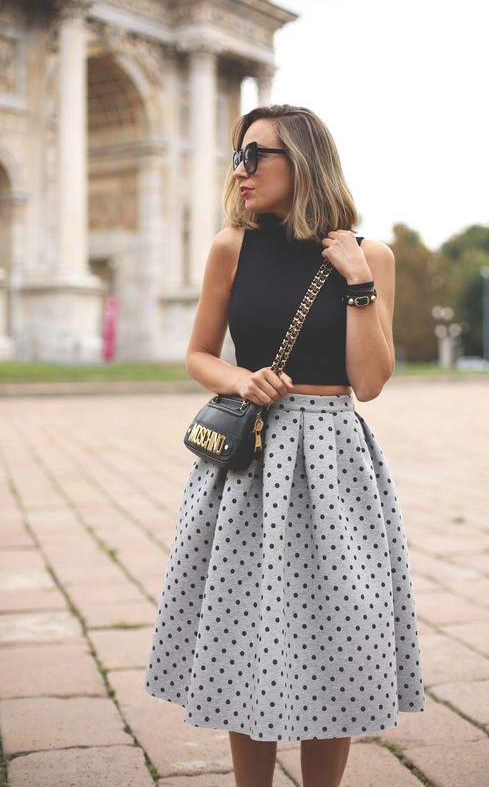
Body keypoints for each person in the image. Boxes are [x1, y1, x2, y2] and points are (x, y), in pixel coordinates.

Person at [144, 104, 425, 787]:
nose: (239, 170)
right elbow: (198, 354)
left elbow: (369, 381)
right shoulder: (230, 246)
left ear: (302, 162)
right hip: (253, 457)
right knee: (246, 632)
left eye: (256, 155)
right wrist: (242, 377)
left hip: (335, 461)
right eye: (237, 156)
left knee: (339, 630)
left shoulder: (371, 255)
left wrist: (357, 279)